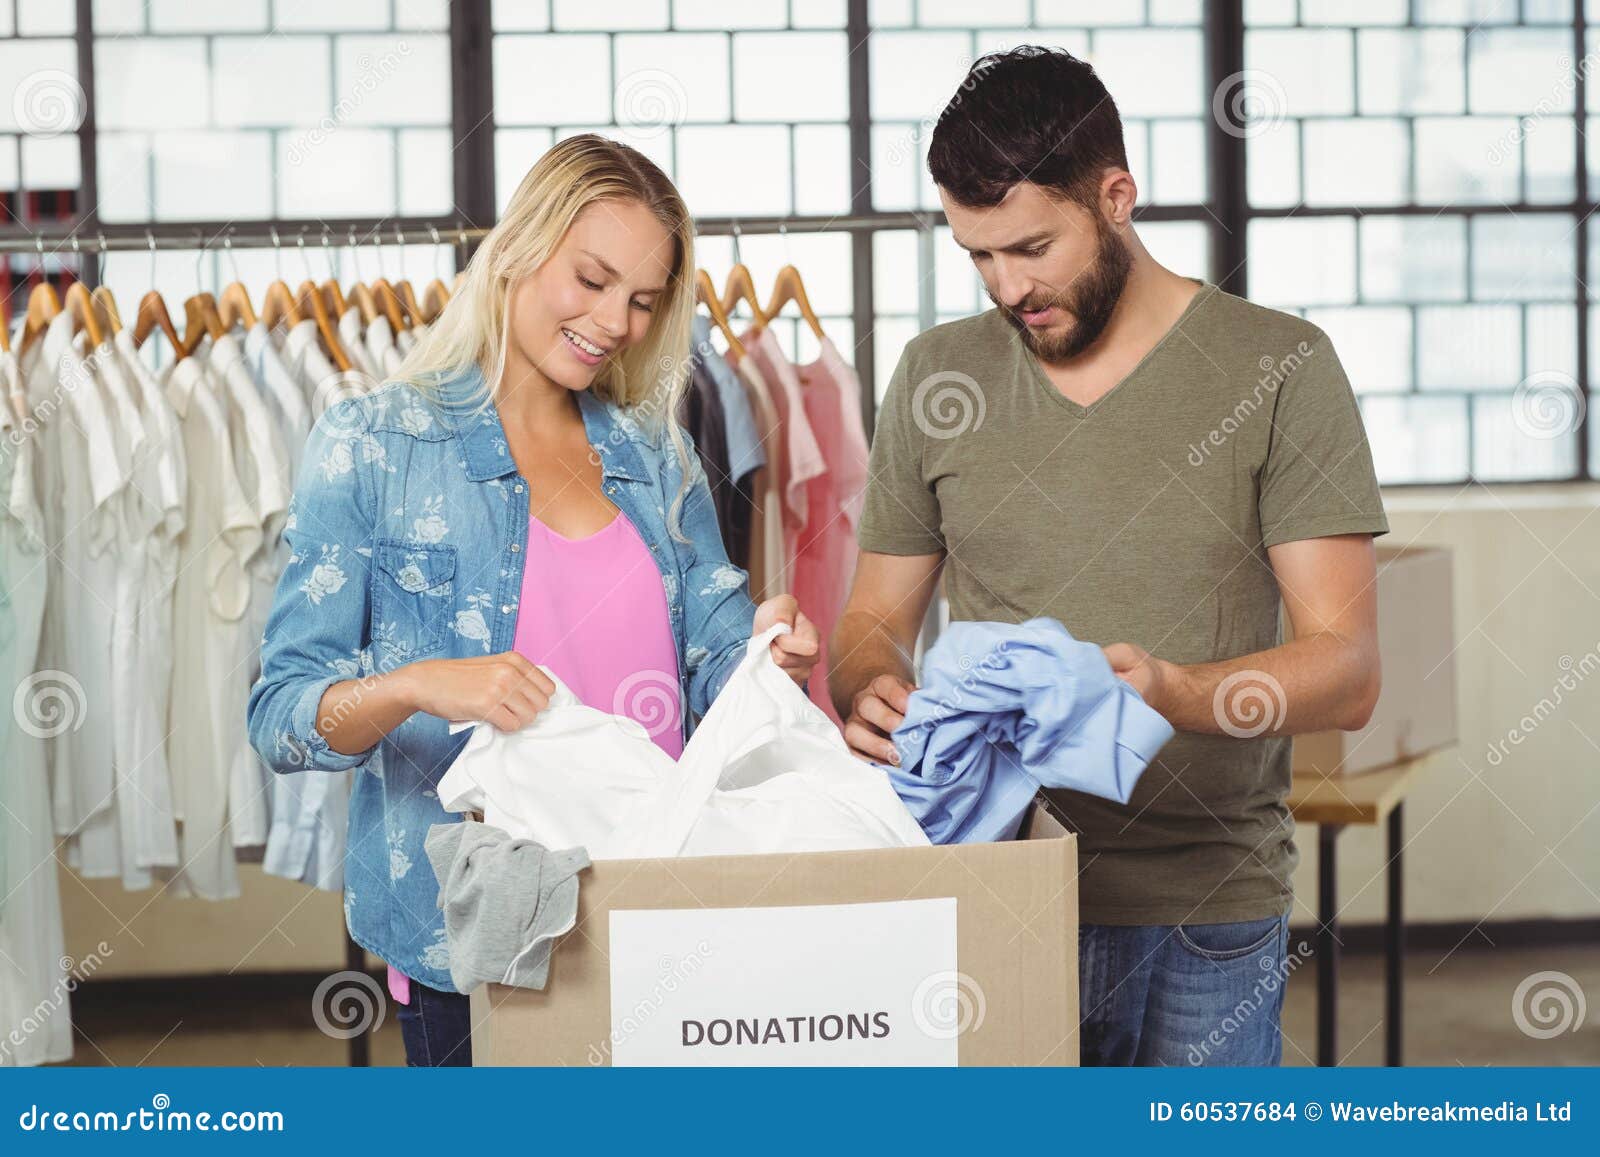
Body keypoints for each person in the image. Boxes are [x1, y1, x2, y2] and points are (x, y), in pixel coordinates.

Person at [829, 47, 1389, 1067]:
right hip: (992, 889)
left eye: (1032, 246)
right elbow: (870, 622)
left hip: (1202, 906)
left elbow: (1347, 668)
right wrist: (868, 682)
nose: (1009, 286)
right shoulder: (934, 375)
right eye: (978, 255)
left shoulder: (1279, 366)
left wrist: (1171, 690)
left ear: (1117, 196)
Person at [248, 134, 819, 1067]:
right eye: (591, 280)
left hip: (656, 914)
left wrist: (767, 643)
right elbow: (281, 717)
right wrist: (421, 683)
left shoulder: (654, 453)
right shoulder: (372, 442)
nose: (616, 322)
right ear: (517, 249)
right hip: (477, 937)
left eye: (642, 300)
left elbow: (719, 656)